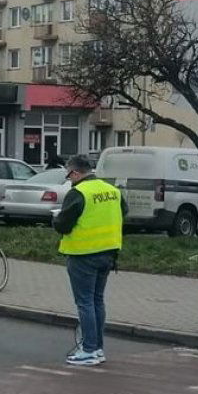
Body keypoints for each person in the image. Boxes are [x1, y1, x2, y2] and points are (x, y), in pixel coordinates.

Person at [53, 155, 127, 366]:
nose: (69, 179)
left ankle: (88, 349)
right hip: (108, 253)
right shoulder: (112, 190)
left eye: (68, 175)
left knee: (84, 302)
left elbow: (63, 225)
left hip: (83, 255)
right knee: (97, 300)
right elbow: (124, 213)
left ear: (75, 173)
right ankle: (98, 349)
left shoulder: (78, 193)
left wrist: (55, 219)